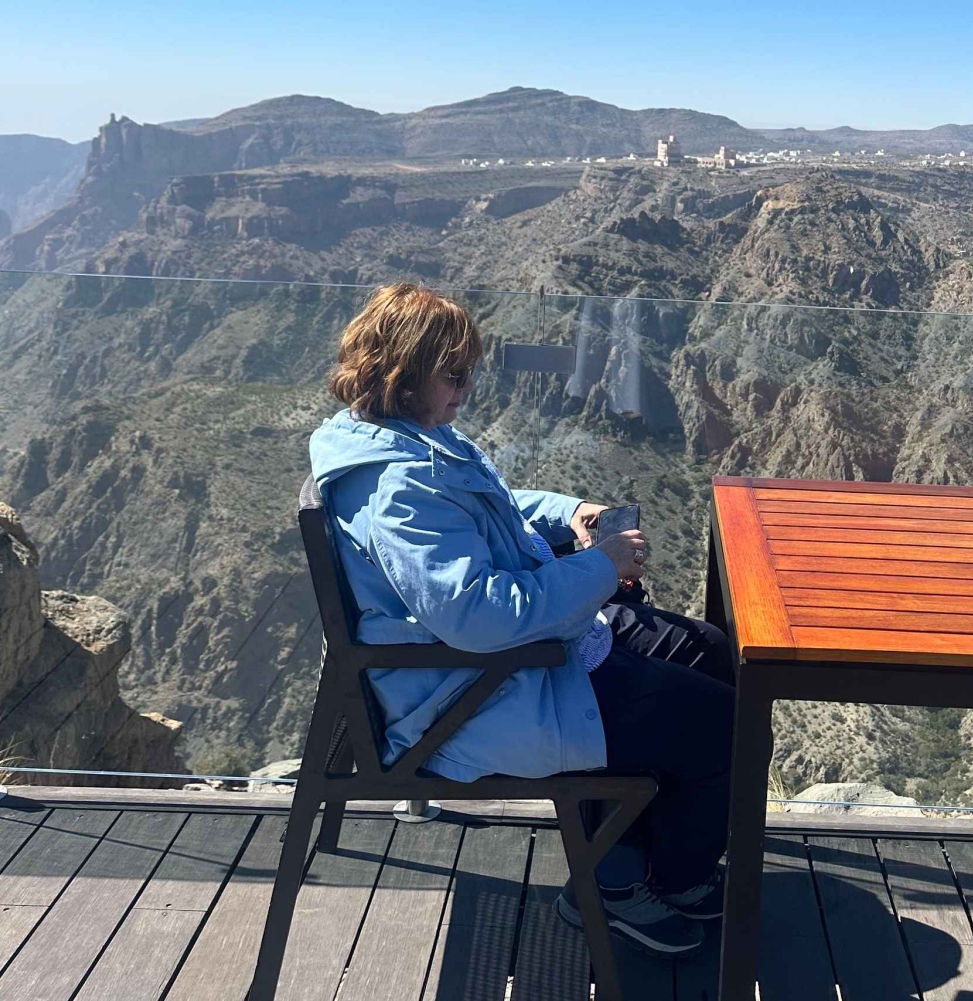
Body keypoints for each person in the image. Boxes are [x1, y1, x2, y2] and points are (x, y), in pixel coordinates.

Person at [308, 283, 735, 956]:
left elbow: (494, 505)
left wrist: (570, 514)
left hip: (515, 660)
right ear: (404, 373)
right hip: (477, 695)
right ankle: (632, 884)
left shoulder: (401, 439)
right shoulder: (397, 488)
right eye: (454, 374)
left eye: (468, 370)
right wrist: (601, 568)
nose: (467, 386)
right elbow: (479, 616)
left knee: (707, 648)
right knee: (729, 728)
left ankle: (630, 857)